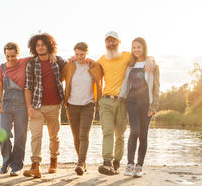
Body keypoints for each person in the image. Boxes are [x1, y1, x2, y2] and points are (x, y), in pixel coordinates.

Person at [97, 31, 155, 175]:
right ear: (105, 44)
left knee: (121, 134)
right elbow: (89, 67)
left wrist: (151, 59)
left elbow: (143, 56)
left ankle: (117, 162)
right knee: (109, 131)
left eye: (113, 40)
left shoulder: (127, 56)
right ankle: (107, 162)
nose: (111, 43)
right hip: (107, 100)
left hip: (123, 101)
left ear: (119, 42)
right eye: (108, 41)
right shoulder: (102, 59)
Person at [23, 33, 66, 178]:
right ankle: (35, 165)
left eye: (43, 44)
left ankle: (53, 160)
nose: (40, 47)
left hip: (54, 106)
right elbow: (28, 87)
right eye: (38, 45)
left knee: (54, 136)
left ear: (49, 46)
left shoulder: (58, 61)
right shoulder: (31, 64)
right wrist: (29, 106)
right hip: (36, 106)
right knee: (36, 135)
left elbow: (74, 63)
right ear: (34, 48)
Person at [119, 37, 160, 177]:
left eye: (138, 47)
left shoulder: (152, 65)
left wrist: (154, 106)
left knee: (143, 135)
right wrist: (121, 98)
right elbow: (125, 83)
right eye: (133, 47)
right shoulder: (130, 65)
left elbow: (156, 87)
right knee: (134, 131)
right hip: (132, 101)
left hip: (146, 103)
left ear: (144, 48)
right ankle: (129, 164)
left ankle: (139, 166)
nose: (136, 50)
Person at [62, 42, 103, 175]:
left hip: (88, 104)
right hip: (72, 105)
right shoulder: (69, 66)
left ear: (87, 54)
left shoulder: (93, 66)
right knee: (76, 137)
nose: (80, 57)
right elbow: (59, 78)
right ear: (74, 54)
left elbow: (103, 72)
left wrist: (93, 61)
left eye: (82, 54)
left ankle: (80, 162)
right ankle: (82, 162)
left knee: (83, 135)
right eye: (77, 54)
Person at [0, 42, 31, 176]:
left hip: (22, 104)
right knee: (3, 135)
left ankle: (17, 166)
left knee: (20, 136)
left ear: (18, 54)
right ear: (5, 55)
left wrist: (52, 56)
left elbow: (40, 55)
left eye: (13, 56)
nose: (10, 59)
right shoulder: (1, 68)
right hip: (6, 104)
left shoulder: (25, 62)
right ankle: (6, 161)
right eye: (8, 56)